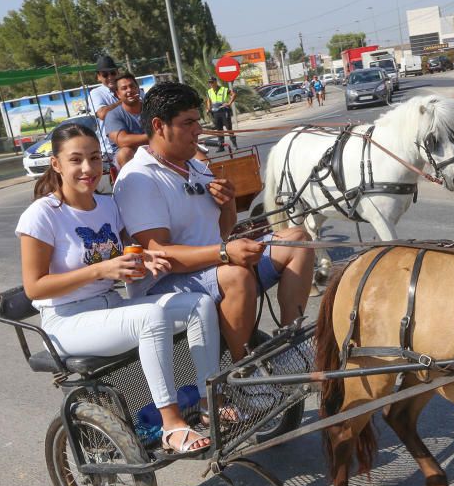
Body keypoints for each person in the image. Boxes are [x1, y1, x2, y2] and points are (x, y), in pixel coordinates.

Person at [16, 123, 221, 455]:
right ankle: (171, 425)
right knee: (151, 317)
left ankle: (208, 401)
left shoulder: (107, 206)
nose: (88, 169)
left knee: (199, 304)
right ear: (56, 164)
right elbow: (34, 287)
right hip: (67, 321)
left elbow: (128, 252)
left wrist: (146, 258)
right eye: (76, 160)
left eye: (95, 159)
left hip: (109, 307)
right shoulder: (42, 215)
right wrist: (101, 269)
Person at [113, 82, 314, 362]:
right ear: (159, 126)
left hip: (213, 269)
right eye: (188, 123)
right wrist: (223, 253)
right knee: (237, 275)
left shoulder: (196, 168)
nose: (199, 130)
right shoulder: (140, 179)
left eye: (198, 121)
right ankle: (241, 372)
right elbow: (160, 254)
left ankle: (289, 345)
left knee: (297, 240)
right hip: (163, 286)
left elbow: (223, 232)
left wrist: (228, 203)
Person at [104, 73, 146, 169]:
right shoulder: (113, 115)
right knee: (125, 152)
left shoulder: (152, 109)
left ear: (138, 89)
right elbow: (122, 141)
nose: (129, 90)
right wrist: (153, 136)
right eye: (124, 88)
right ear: (118, 94)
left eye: (132, 86)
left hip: (155, 150)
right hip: (129, 156)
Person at [87, 55, 121, 171]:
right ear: (98, 77)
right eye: (105, 75)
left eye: (112, 73)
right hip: (111, 150)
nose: (110, 77)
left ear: (118, 73)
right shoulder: (96, 93)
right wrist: (125, 101)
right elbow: (102, 114)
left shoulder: (129, 88)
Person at [206, 77, 238, 153]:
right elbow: (208, 100)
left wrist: (229, 103)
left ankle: (234, 145)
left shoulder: (224, 89)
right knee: (219, 130)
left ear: (216, 82)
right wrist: (208, 108)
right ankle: (221, 147)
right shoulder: (209, 91)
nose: (211, 84)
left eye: (212, 82)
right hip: (216, 112)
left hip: (224, 111)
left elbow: (234, 94)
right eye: (209, 82)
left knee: (229, 129)